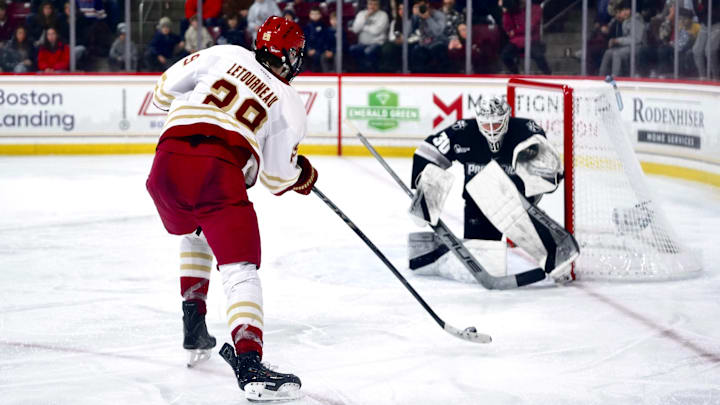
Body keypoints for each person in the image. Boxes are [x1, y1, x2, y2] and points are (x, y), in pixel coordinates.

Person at [146, 16, 317, 402]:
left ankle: (194, 325)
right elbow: (275, 179)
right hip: (216, 169)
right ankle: (250, 363)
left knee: (196, 228)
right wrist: (301, 174)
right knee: (240, 269)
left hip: (165, 164)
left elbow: (160, 92)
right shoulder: (289, 101)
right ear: (288, 56)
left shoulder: (224, 52)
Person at [407, 97, 577, 284]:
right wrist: (424, 192)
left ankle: (556, 254)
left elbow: (550, 171)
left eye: (497, 123)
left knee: (499, 193)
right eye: (487, 125)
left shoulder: (525, 130)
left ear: (506, 118)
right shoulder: (464, 130)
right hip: (477, 206)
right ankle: (437, 257)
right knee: (484, 263)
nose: (492, 130)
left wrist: (541, 177)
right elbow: (427, 151)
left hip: (519, 204)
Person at [499, 0, 551, 74]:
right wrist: (506, 12)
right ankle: (516, 74)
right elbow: (508, 29)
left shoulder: (536, 8)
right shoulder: (513, 10)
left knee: (538, 56)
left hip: (532, 40)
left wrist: (516, 31)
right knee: (505, 56)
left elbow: (530, 27)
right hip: (516, 41)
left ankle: (548, 74)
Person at [598, 0, 644, 77]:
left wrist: (618, 41)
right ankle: (601, 77)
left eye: (627, 9)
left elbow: (636, 39)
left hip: (638, 46)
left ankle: (615, 77)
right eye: (623, 10)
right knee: (608, 52)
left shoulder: (636, 19)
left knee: (617, 54)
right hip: (627, 46)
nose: (625, 12)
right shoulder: (623, 21)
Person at [349, 0, 389, 72]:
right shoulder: (361, 14)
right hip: (362, 43)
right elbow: (355, 29)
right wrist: (365, 17)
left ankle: (372, 74)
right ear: (367, 5)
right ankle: (360, 73)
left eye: (375, 4)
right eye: (370, 4)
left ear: (378, 5)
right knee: (352, 49)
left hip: (377, 43)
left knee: (368, 51)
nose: (372, 6)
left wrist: (364, 27)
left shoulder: (383, 15)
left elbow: (376, 31)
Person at [408, 0, 447, 72]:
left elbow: (438, 33)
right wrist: (413, 17)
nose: (420, 8)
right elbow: (409, 32)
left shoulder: (438, 15)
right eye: (418, 6)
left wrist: (428, 18)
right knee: (415, 51)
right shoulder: (417, 16)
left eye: (421, 6)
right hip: (423, 45)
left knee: (438, 50)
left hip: (437, 43)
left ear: (427, 5)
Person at [302, 5, 332, 71]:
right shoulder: (307, 28)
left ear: (320, 15)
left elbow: (326, 40)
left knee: (319, 56)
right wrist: (309, 49)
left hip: (321, 50)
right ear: (309, 15)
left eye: (316, 14)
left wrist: (324, 49)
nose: (315, 16)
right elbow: (305, 40)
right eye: (313, 14)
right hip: (309, 51)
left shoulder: (324, 27)